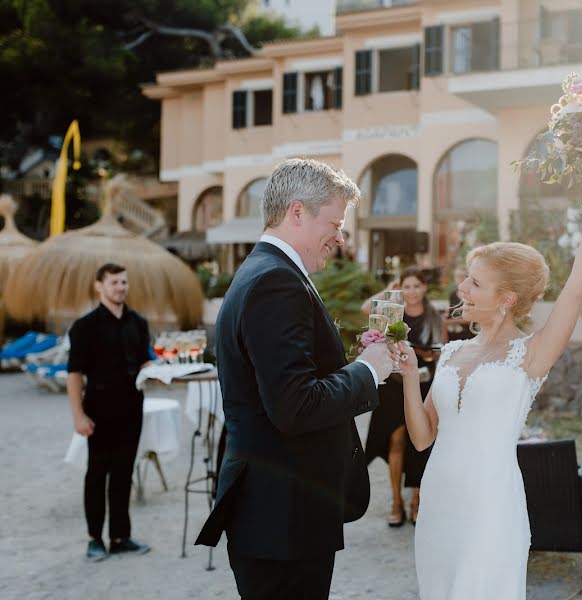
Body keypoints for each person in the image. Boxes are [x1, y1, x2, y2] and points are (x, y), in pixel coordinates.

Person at [398, 178, 582, 599]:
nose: (461, 288)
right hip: (439, 502)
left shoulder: (530, 354)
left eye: (474, 283)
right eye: (466, 278)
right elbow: (422, 437)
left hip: (491, 504)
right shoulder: (450, 354)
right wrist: (411, 376)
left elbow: (575, 291)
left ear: (506, 298)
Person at [194, 158, 395, 599]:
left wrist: (356, 363)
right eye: (336, 223)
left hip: (278, 513)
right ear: (298, 211)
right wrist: (368, 370)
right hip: (282, 517)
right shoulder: (276, 282)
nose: (339, 238)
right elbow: (295, 405)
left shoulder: (264, 272)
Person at [67, 263, 154, 562]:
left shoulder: (138, 322)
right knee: (97, 474)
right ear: (99, 286)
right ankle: (95, 539)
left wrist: (167, 370)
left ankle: (120, 536)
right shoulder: (84, 326)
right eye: (115, 282)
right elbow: (74, 374)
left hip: (132, 409)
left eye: (124, 282)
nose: (121, 287)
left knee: (124, 474)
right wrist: (78, 416)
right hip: (99, 410)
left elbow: (145, 363)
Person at [361, 267, 444, 527]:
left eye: (416, 286)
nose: (411, 292)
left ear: (424, 288)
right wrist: (391, 288)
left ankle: (416, 500)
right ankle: (396, 501)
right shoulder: (392, 311)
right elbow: (366, 308)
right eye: (406, 286)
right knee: (395, 439)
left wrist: (431, 356)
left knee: (419, 442)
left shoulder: (434, 318)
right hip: (393, 385)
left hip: (423, 382)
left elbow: (443, 351)